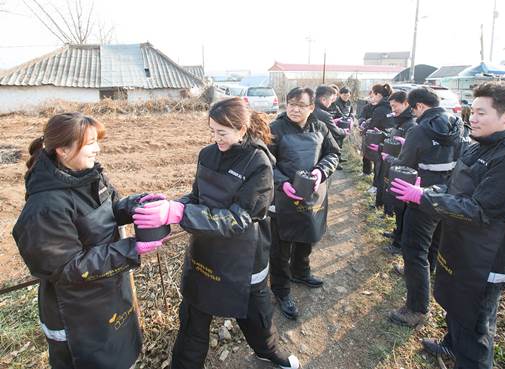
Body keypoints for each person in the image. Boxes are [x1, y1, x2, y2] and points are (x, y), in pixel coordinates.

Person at [390, 81, 505, 369]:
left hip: (485, 260)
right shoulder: (482, 146)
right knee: (456, 308)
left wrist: (424, 198)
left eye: (480, 113)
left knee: (476, 329)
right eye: (471, 111)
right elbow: (455, 189)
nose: (471, 118)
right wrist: (426, 189)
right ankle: (451, 346)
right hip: (462, 246)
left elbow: (481, 211)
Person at [133, 97, 300, 369]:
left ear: (242, 130)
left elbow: (241, 217)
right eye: (212, 131)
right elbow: (197, 197)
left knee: (255, 313)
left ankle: (268, 350)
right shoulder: (207, 155)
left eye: (222, 133)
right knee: (193, 315)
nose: (216, 138)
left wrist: (180, 214)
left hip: (243, 254)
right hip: (206, 249)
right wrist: (171, 206)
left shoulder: (258, 163)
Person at [12, 112, 156, 369]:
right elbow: (67, 267)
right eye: (90, 143)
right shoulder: (45, 207)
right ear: (63, 150)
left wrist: (137, 206)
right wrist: (130, 249)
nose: (97, 149)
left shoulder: (90, 177)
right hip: (77, 316)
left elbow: (110, 209)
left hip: (108, 295)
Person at [386, 87, 466, 328]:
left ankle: (417, 308)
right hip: (449, 195)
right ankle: (428, 270)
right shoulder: (456, 123)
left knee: (413, 250)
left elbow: (405, 163)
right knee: (434, 241)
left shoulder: (419, 130)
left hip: (421, 196)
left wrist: (390, 158)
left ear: (419, 106)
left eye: (414, 108)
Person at [268, 87, 340, 320]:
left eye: (301, 105)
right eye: (290, 103)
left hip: (312, 193)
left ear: (311, 108)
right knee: (281, 246)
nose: (294, 109)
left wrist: (321, 172)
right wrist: (282, 183)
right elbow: (265, 162)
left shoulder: (320, 127)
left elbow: (333, 154)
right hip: (282, 195)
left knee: (307, 233)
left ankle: (301, 271)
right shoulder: (275, 129)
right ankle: (281, 290)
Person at [372, 90, 416, 253]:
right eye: (391, 106)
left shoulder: (411, 124)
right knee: (398, 206)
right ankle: (397, 232)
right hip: (396, 166)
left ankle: (399, 242)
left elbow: (410, 152)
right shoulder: (400, 121)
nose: (393, 110)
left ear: (406, 103)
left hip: (404, 170)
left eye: (395, 106)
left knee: (403, 207)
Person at [360, 83, 394, 186]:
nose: (372, 97)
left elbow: (372, 125)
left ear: (378, 95)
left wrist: (363, 130)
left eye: (373, 95)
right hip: (390, 140)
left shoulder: (380, 109)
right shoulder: (388, 106)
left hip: (380, 140)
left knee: (379, 165)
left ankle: (376, 186)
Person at [313, 84, 347, 169]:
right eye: (331, 99)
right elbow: (336, 131)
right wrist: (344, 131)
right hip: (317, 150)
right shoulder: (324, 114)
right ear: (323, 99)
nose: (331, 102)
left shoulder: (309, 109)